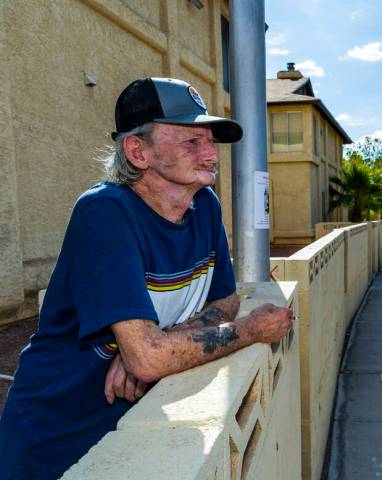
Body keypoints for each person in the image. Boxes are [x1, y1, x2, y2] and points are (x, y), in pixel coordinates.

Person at [0, 78, 293, 479]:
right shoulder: (105, 212)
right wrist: (249, 331)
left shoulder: (203, 204)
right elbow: (153, 357)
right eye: (192, 142)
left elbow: (224, 302)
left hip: (132, 420)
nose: (212, 155)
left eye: (211, 141)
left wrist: (157, 344)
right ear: (138, 151)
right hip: (53, 435)